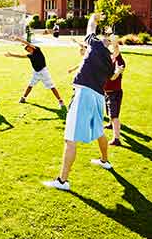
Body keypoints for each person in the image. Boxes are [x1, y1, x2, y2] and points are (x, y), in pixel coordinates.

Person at [44, 13, 124, 191]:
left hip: (84, 94)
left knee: (70, 139)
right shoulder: (110, 62)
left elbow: (90, 26)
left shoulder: (94, 45)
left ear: (105, 41)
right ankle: (105, 161)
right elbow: (113, 75)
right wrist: (117, 68)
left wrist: (95, 17)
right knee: (99, 131)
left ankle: (62, 181)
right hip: (98, 97)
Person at [4, 36, 65, 108]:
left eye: (28, 48)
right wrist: (11, 55)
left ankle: (60, 100)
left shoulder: (37, 50)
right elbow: (20, 56)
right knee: (30, 85)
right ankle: (23, 98)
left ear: (31, 47)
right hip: (36, 73)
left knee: (51, 87)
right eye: (26, 50)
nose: (27, 50)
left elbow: (28, 43)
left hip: (44, 72)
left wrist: (19, 39)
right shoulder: (30, 55)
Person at [103, 39, 126, 146]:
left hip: (114, 93)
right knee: (109, 112)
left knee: (114, 115)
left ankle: (116, 139)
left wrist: (112, 38)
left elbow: (116, 47)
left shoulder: (120, 62)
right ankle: (110, 124)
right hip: (108, 92)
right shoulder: (110, 59)